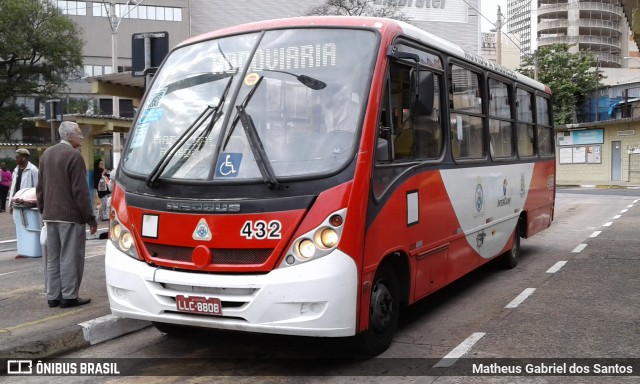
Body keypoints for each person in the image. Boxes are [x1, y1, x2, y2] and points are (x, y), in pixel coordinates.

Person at [36, 122, 97, 308]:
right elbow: (80, 191)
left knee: (53, 258)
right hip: (70, 217)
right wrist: (90, 218)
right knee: (70, 257)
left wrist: (43, 210)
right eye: (79, 134)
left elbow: (39, 187)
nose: (81, 137)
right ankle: (69, 296)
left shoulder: (46, 154)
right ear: (70, 136)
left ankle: (53, 296)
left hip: (50, 215)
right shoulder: (74, 156)